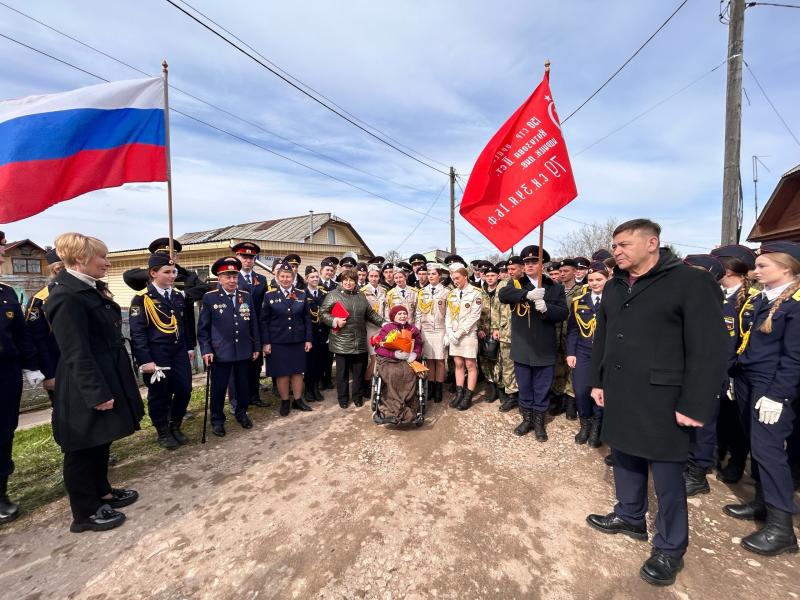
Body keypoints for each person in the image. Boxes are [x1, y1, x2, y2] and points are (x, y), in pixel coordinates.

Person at [585, 219, 727, 587]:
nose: (616, 251)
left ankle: (670, 547)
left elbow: (708, 348)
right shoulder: (616, 285)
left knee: (667, 477)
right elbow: (604, 335)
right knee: (626, 459)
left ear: (652, 243)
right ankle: (630, 516)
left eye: (623, 244)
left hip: (665, 398)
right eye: (613, 245)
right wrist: (598, 380)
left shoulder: (691, 281)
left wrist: (695, 403)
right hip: (620, 390)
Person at [46, 233, 144, 533]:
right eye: (102, 257)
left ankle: (103, 491)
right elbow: (75, 352)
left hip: (107, 374)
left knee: (102, 438)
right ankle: (84, 512)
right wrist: (96, 393)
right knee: (82, 447)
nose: (107, 262)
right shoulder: (66, 296)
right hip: (84, 385)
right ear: (79, 259)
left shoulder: (88, 289)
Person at [724, 241, 800, 556]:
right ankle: (761, 502)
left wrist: (777, 396)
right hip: (747, 378)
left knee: (769, 452)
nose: (756, 271)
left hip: (770, 385)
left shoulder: (795, 303)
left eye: (763, 265)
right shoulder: (761, 299)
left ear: (786, 267)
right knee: (757, 446)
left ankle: (782, 528)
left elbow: (795, 357)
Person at [498, 245, 567, 440]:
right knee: (525, 385)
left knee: (542, 386)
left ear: (542, 264)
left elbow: (563, 313)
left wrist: (546, 309)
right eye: (526, 262)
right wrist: (526, 295)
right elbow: (503, 296)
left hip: (544, 346)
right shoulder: (516, 284)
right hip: (522, 344)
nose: (528, 265)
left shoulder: (554, 287)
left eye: (533, 262)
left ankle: (539, 422)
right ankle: (527, 418)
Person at [128, 252, 196, 449]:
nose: (173, 276)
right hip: (157, 354)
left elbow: (184, 325)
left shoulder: (177, 296)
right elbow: (138, 332)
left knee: (184, 389)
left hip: (179, 351)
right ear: (153, 273)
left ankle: (176, 425)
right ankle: (163, 431)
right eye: (167, 272)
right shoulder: (142, 298)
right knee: (160, 394)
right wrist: (145, 360)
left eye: (174, 272)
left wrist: (189, 346)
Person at [0, 231, 43, 524]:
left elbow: (21, 334)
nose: (2, 255)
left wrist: (30, 366)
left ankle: (1, 492)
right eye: (0, 251)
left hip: (6, 374)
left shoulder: (5, 293)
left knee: (4, 432)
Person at [709, 244, 758, 484]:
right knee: (715, 415)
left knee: (737, 420)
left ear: (727, 270)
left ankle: (737, 461)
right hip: (713, 367)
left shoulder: (753, 301)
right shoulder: (714, 294)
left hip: (738, 371)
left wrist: (733, 371)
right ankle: (713, 455)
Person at [197, 257, 260, 437]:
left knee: (242, 386)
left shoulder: (245, 296)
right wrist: (206, 350)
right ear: (219, 278)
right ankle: (217, 420)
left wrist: (256, 346)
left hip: (243, 351)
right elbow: (203, 329)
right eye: (227, 276)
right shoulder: (210, 298)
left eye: (234, 276)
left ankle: (241, 413)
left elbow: (253, 323)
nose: (232, 280)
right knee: (218, 388)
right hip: (220, 352)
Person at [320, 269, 384, 408]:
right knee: (342, 374)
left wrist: (384, 323)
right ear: (342, 281)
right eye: (346, 280)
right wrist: (335, 320)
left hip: (359, 340)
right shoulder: (333, 295)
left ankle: (357, 396)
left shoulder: (361, 296)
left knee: (358, 373)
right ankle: (343, 398)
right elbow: (323, 313)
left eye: (351, 280)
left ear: (355, 282)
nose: (348, 283)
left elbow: (371, 314)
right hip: (341, 341)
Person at [566, 261, 609, 447]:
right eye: (591, 279)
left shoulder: (613, 301)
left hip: (605, 353)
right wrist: (570, 352)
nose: (594, 283)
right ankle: (585, 423)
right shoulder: (579, 302)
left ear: (608, 279)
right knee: (581, 389)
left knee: (598, 391)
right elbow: (573, 330)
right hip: (582, 351)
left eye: (599, 279)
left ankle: (597, 427)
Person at [261, 262, 313, 417]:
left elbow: (307, 319)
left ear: (293, 277)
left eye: (288, 276)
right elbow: (263, 321)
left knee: (298, 372)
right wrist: (266, 342)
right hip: (277, 341)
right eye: (282, 276)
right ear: (277, 278)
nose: (285, 279)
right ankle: (285, 401)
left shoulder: (301, 294)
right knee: (282, 373)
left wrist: (308, 339)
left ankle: (298, 399)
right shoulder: (269, 296)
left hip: (298, 339)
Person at [373, 305, 424, 425]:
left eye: (404, 314)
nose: (402, 316)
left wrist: (414, 354)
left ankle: (405, 406)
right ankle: (394, 409)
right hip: (389, 360)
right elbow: (379, 347)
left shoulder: (413, 329)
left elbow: (418, 345)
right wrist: (394, 354)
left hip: (407, 360)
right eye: (399, 314)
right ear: (393, 316)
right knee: (392, 373)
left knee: (410, 373)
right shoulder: (387, 329)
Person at [24, 248, 63, 404]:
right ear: (56, 269)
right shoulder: (40, 300)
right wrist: (49, 374)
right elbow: (37, 339)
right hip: (59, 366)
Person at [233, 242, 268, 409]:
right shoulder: (232, 278)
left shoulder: (261, 279)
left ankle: (255, 396)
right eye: (244, 257)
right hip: (238, 329)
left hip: (257, 329)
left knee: (256, 364)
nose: (247, 260)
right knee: (238, 367)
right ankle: (237, 401)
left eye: (251, 257)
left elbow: (264, 305)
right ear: (238, 258)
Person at [444, 266, 482, 411]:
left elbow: (474, 316)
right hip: (454, 335)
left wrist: (459, 333)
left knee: (470, 365)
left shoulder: (475, 293)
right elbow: (448, 314)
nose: (455, 281)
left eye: (457, 278)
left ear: (465, 277)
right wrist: (449, 332)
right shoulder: (452, 294)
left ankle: (468, 396)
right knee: (458, 363)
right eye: (453, 279)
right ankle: (459, 393)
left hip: (468, 335)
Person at [550, 258, 583, 420]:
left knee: (572, 368)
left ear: (575, 272)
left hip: (572, 335)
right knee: (557, 366)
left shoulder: (583, 291)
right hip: (555, 333)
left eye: (566, 271)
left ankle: (570, 401)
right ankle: (557, 397)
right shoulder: (555, 290)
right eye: (561, 271)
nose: (562, 274)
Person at [415, 263, 449, 403]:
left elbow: (449, 314)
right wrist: (417, 330)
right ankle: (431, 387)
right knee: (429, 360)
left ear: (439, 276)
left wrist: (447, 332)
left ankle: (439, 389)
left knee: (440, 360)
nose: (430, 277)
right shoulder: (422, 292)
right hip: (427, 330)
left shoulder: (446, 292)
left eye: (433, 274)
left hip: (440, 329)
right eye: (429, 274)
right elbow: (418, 313)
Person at [493, 258, 520, 412]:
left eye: (513, 269)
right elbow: (497, 308)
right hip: (506, 331)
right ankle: (511, 395)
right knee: (508, 365)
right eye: (508, 270)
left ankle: (524, 396)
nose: (510, 272)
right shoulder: (503, 285)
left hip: (523, 334)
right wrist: (496, 327)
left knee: (523, 366)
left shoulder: (527, 285)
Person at [303, 267, 328, 403]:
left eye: (316, 277)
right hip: (309, 334)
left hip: (322, 333)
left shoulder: (323, 294)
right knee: (309, 363)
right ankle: (308, 389)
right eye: (312, 277)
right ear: (307, 279)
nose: (315, 279)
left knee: (320, 361)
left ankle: (316, 388)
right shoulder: (302, 294)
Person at [362, 264, 387, 399]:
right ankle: (366, 384)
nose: (373, 278)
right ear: (367, 277)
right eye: (371, 276)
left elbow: (386, 310)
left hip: (382, 328)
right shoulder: (362, 291)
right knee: (374, 358)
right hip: (370, 328)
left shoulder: (384, 291)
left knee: (382, 357)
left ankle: (378, 383)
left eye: (376, 276)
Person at [478, 265, 501, 402]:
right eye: (488, 276)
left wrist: (499, 329)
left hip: (499, 332)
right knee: (485, 360)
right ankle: (491, 386)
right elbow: (477, 313)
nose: (490, 278)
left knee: (499, 361)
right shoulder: (481, 293)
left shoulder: (502, 292)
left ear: (498, 276)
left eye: (493, 275)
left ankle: (500, 388)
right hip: (484, 332)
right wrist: (479, 328)